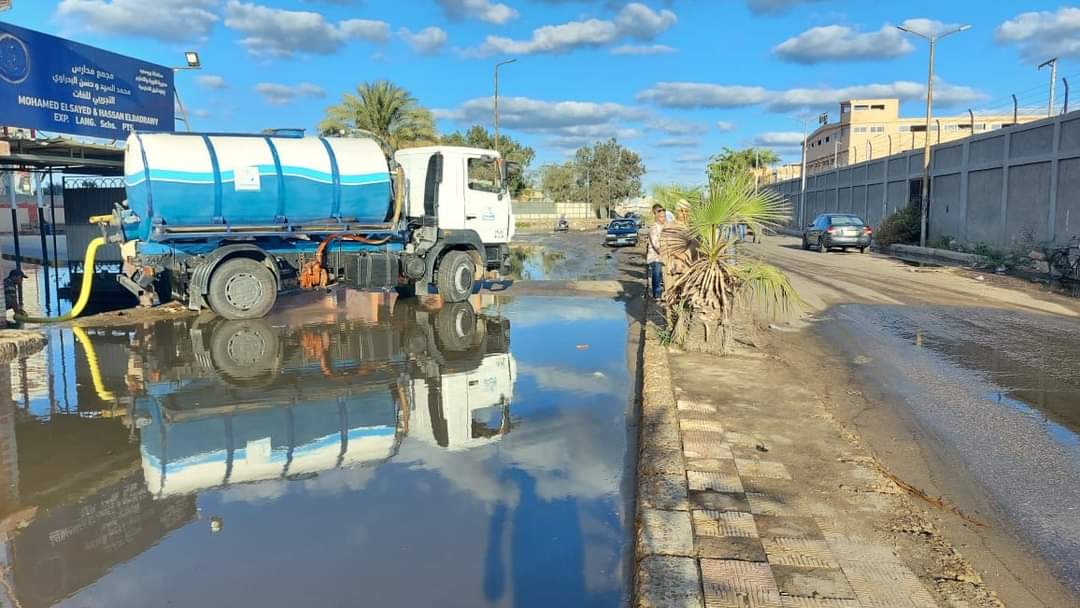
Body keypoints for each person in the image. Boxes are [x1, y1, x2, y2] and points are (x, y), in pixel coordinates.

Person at [647, 204, 666, 300]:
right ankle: (656, 295)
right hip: (655, 257)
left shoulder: (665, 226)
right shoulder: (654, 228)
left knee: (662, 276)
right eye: (662, 217)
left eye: (664, 216)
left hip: (664, 256)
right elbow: (656, 246)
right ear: (656, 217)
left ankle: (661, 294)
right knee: (657, 275)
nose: (664, 218)